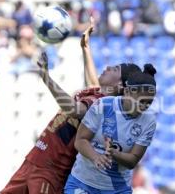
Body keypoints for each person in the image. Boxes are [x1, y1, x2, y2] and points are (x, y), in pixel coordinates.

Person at [0, 17, 142, 194]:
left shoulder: (101, 107)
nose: (107, 67)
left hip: (51, 171)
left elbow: (74, 110)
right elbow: (93, 83)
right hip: (33, 161)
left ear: (119, 86)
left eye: (114, 70)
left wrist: (47, 79)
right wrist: (85, 48)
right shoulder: (97, 94)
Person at [64, 65, 157, 194]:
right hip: (82, 183)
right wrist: (95, 157)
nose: (144, 106)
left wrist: (114, 153)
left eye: (148, 103)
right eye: (141, 101)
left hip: (117, 189)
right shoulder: (103, 105)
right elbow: (80, 140)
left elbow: (133, 160)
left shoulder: (149, 121)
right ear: (127, 91)